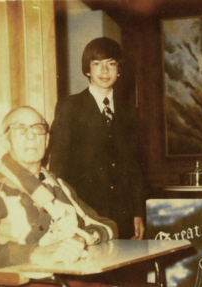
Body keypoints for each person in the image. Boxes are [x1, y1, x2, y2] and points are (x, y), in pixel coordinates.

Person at [0, 106, 118, 286]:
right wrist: (34, 253)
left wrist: (83, 238)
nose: (31, 136)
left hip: (70, 277)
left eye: (37, 128)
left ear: (47, 139)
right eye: (20, 129)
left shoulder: (61, 187)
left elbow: (106, 224)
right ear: (5, 141)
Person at [49, 37, 145, 240]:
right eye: (97, 64)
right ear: (87, 70)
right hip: (84, 213)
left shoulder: (129, 113)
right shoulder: (70, 107)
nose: (104, 71)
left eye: (111, 64)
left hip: (123, 215)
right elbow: (58, 167)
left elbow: (134, 167)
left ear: (119, 70)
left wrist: (138, 212)